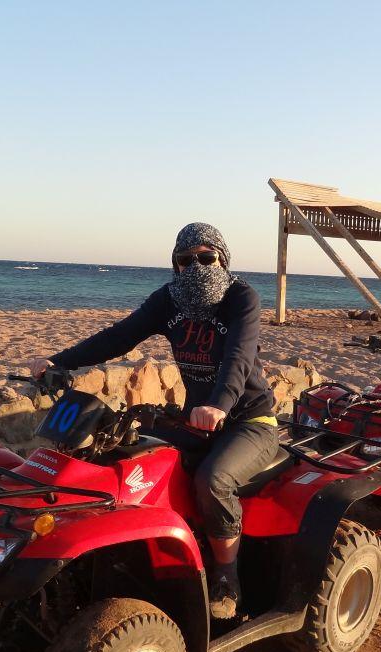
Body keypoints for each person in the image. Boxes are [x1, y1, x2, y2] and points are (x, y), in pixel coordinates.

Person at [28, 223, 278, 620]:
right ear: (175, 264)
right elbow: (119, 336)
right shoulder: (169, 300)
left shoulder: (241, 297)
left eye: (206, 258)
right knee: (126, 455)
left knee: (213, 479)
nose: (196, 267)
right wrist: (60, 361)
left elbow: (239, 357)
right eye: (185, 260)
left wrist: (218, 405)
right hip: (197, 421)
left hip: (250, 421)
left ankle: (226, 576)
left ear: (223, 259)